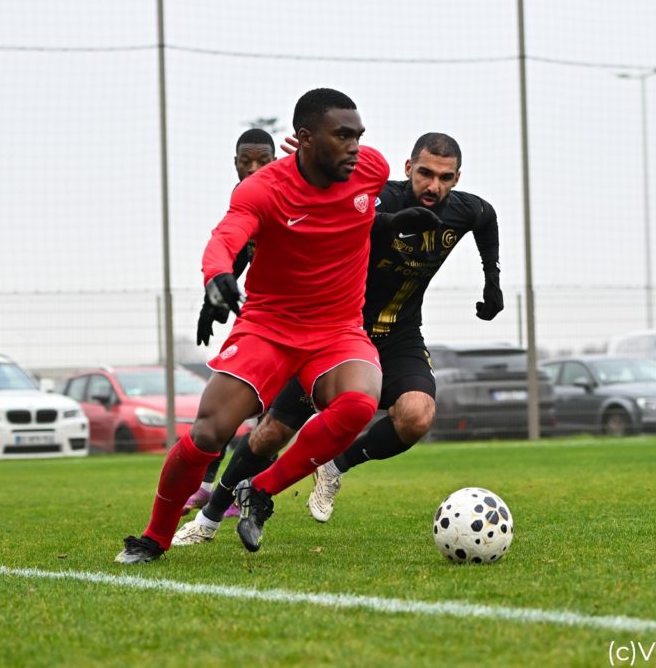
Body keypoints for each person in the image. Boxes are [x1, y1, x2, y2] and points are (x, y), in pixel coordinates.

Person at [115, 88, 439, 563]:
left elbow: (376, 211)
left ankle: (260, 491)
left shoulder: (369, 168)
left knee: (357, 404)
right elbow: (227, 236)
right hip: (268, 326)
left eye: (358, 136)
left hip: (338, 329)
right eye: (342, 136)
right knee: (209, 432)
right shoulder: (263, 189)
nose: (355, 146)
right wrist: (217, 277)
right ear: (305, 139)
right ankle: (153, 537)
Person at [172, 132, 501, 546]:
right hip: (337, 334)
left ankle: (334, 466)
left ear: (456, 179)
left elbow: (486, 219)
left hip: (399, 336)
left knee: (418, 415)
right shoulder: (380, 197)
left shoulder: (464, 210)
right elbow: (336, 208)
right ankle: (209, 517)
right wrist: (309, 169)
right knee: (271, 432)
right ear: (408, 168)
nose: (433, 185)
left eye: (444, 177)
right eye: (425, 173)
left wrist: (493, 283)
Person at [182, 127, 277, 519]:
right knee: (228, 404)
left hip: (303, 321)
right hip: (260, 320)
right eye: (245, 161)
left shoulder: (291, 195)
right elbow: (235, 255)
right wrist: (212, 303)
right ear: (235, 164)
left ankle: (240, 488)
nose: (253, 169)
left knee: (273, 418)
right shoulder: (244, 205)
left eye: (262, 161)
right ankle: (209, 487)